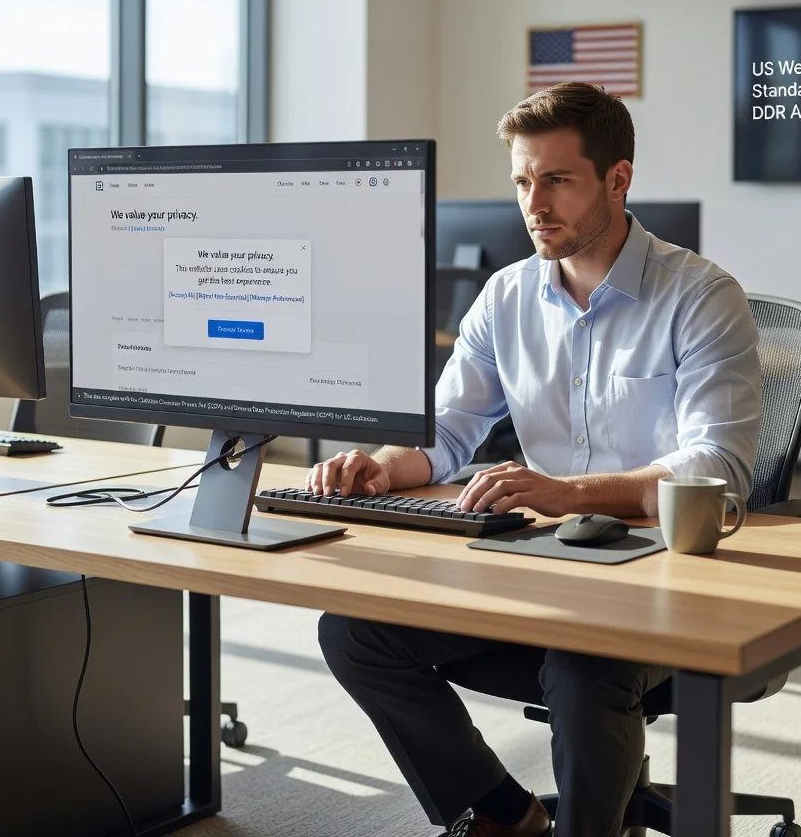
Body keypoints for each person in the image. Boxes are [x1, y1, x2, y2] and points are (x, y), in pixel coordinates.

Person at [311, 82, 762, 837]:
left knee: (587, 665)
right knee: (353, 630)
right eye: (523, 180)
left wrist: (564, 490)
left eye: (557, 179)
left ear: (618, 179)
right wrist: (384, 467)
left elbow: (716, 468)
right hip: (542, 567)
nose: (534, 202)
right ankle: (505, 816)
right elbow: (447, 432)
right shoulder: (505, 297)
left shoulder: (700, 296)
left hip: (666, 579)